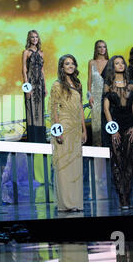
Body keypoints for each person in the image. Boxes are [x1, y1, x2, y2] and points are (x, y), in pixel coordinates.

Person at [50, 55, 87, 212]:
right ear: (62, 67)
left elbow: (80, 107)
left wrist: (84, 129)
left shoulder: (78, 84)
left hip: (76, 129)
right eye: (67, 63)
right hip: (64, 127)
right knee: (64, 167)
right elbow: (53, 109)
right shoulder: (57, 85)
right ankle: (66, 204)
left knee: (75, 167)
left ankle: (76, 203)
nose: (70, 66)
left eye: (72, 63)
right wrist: (57, 130)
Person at [103, 56, 133, 210]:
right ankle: (122, 197)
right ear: (112, 66)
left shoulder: (131, 85)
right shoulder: (108, 85)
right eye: (117, 63)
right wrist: (113, 130)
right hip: (115, 127)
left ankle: (128, 196)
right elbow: (105, 109)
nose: (120, 65)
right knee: (117, 162)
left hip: (129, 126)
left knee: (128, 161)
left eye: (122, 63)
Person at [22, 30, 47, 143]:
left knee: (40, 111)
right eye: (32, 37)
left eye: (36, 37)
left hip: (40, 84)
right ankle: (33, 140)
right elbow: (24, 69)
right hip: (30, 83)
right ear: (29, 39)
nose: (35, 39)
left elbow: (42, 70)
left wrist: (45, 87)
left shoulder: (41, 53)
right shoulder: (26, 52)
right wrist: (27, 86)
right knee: (31, 110)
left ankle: (41, 139)